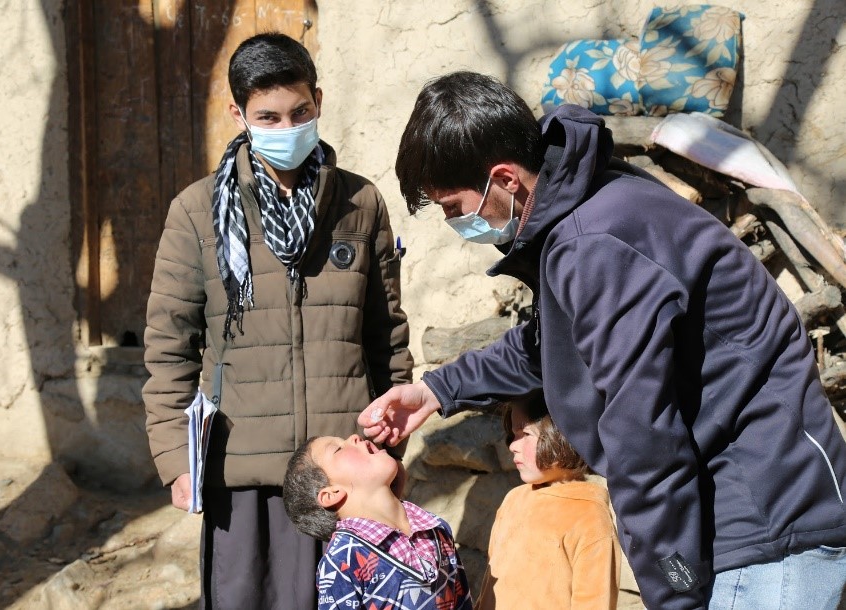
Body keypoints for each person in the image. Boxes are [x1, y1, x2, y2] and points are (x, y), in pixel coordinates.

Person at [358, 71, 846, 609]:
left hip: (766, 520)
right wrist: (435, 392)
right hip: (747, 514)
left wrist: (675, 590)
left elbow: (643, 437)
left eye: (454, 207)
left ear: (505, 179)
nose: (456, 224)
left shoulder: (595, 242)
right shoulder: (590, 209)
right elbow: (552, 342)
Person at [143, 33, 412, 609]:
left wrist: (391, 444)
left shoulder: (360, 204)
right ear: (238, 114)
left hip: (341, 476)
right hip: (241, 476)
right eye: (268, 117)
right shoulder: (195, 213)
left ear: (318, 100)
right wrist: (173, 458)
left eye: (300, 113)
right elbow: (170, 348)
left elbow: (386, 334)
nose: (287, 128)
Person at [283, 433, 473, 610]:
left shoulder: (434, 526)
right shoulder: (343, 561)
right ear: (331, 494)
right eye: (338, 449)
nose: (354, 436)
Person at [476, 396, 620, 610]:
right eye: (513, 435)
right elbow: (490, 585)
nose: (512, 446)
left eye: (525, 434)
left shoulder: (589, 515)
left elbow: (595, 602)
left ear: (563, 436)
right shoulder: (513, 500)